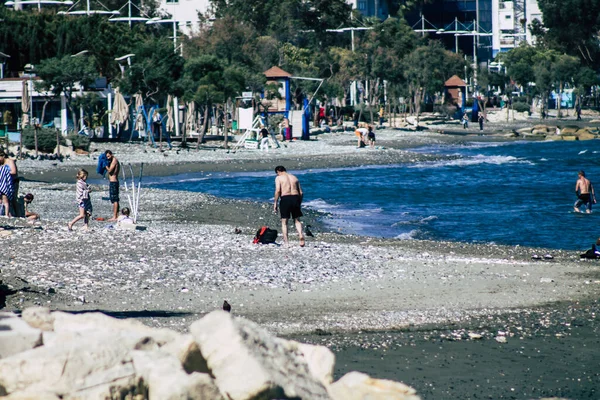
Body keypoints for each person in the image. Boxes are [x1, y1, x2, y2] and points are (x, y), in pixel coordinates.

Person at [273, 165, 305, 247]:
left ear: (278, 172)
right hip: (295, 198)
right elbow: (301, 192)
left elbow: (278, 190)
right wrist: (299, 202)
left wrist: (275, 202)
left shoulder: (279, 178)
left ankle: (286, 242)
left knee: (284, 222)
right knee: (297, 220)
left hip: (285, 198)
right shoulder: (294, 177)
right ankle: (301, 235)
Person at [0, 150, 18, 217]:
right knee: (3, 199)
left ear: (3, 156)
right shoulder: (1, 164)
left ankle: (16, 214)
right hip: (3, 183)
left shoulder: (10, 161)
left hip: (12, 182)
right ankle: (6, 213)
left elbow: (14, 172)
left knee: (13, 199)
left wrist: (4, 173)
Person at [104, 150, 120, 221]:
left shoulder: (114, 160)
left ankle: (115, 216)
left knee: (115, 199)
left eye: (108, 156)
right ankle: (116, 215)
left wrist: (105, 166)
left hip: (114, 182)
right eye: (106, 156)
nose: (107, 158)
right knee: (114, 199)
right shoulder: (111, 160)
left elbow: (110, 171)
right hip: (112, 182)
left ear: (111, 154)